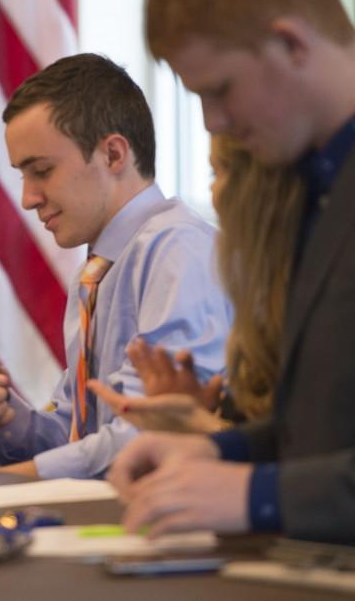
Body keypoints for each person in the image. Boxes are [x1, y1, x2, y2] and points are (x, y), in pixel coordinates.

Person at [109, 0, 355, 542]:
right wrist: (221, 454)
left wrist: (255, 493)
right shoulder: (315, 182)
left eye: (219, 90)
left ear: (291, 41)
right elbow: (326, 429)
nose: (214, 124)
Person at [0, 53, 232, 479]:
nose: (28, 198)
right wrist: (7, 419)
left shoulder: (177, 253)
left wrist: (6, 481)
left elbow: (151, 431)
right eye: (22, 176)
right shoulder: (97, 271)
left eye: (42, 171)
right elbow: (78, 433)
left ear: (113, 154)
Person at [90, 137, 305, 433]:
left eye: (221, 173)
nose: (214, 192)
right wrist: (199, 418)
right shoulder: (266, 296)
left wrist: (199, 426)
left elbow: (315, 453)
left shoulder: (180, 247)